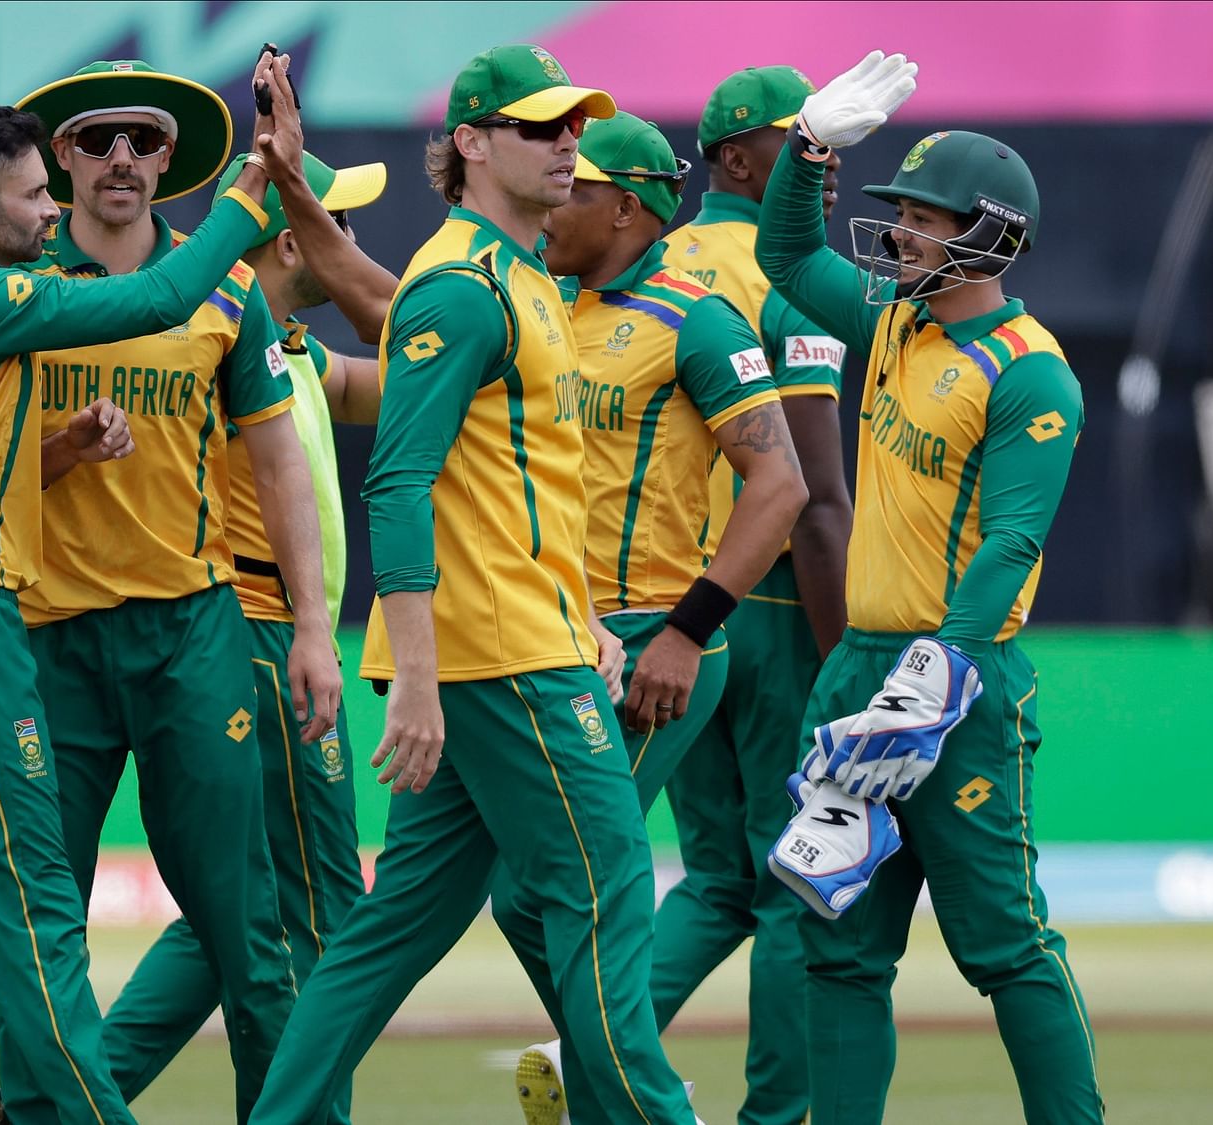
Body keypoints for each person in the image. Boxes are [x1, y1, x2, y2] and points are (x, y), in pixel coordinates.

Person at [0, 64, 300, 1125]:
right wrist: (249, 201)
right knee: (30, 912)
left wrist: (59, 447)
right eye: (40, 192)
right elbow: (161, 296)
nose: (56, 208)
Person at [247, 45, 698, 1125]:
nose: (566, 145)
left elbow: (521, 480)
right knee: (605, 900)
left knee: (393, 925)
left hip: (516, 641)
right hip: (500, 659)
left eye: (572, 128)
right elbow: (397, 484)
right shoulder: (466, 284)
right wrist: (415, 676)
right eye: (541, 127)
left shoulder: (515, 276)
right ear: (469, 143)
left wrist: (580, 611)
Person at [755, 51, 1102, 1123]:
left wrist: (938, 661)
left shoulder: (1030, 372)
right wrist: (807, 150)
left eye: (924, 217)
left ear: (988, 233)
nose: (900, 230)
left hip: (957, 681)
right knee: (839, 948)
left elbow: (1012, 542)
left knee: (1001, 946)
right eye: (900, 209)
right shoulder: (897, 321)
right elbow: (785, 253)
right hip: (858, 664)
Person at [0, 59, 335, 1125]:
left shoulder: (223, 287)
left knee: (246, 928)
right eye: (97, 141)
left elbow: (278, 462)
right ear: (59, 157)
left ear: (169, 162)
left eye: (144, 143)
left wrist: (315, 632)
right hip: (46, 642)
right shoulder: (11, 287)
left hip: (193, 633)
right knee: (44, 924)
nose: (123, 162)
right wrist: (54, 450)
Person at [67, 150, 393, 1125]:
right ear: (296, 238)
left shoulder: (279, 340)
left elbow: (372, 387)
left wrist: (496, 354)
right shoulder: (212, 331)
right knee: (321, 908)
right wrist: (307, 632)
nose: (355, 245)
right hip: (255, 635)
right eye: (340, 226)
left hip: (257, 634)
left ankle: (79, 1094)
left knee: (237, 909)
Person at [506, 107, 811, 1125]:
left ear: (628, 207)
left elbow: (788, 480)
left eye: (574, 181)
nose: (555, 193)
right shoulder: (543, 296)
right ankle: (624, 1076)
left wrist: (688, 627)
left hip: (669, 625)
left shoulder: (694, 306)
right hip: (576, 634)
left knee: (730, 883)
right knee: (725, 883)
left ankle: (656, 1094)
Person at [646, 64, 856, 1125]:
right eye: (791, 143)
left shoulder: (653, 257)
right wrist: (848, 659)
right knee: (791, 891)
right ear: (732, 158)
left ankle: (589, 1047)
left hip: (678, 616)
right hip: (772, 605)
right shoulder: (787, 281)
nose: (818, 166)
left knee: (715, 882)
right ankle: (777, 1119)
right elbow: (815, 497)